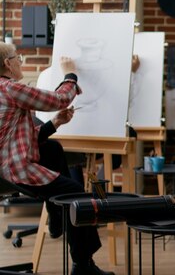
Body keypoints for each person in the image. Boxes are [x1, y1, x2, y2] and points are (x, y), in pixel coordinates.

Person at [0, 43, 114, 275]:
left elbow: (20, 139)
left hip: (7, 162)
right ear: (7, 64)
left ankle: (55, 210)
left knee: (52, 148)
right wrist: (70, 74)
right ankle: (83, 266)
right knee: (77, 196)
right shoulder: (9, 89)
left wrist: (56, 123)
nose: (20, 61)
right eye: (17, 57)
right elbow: (58, 99)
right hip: (14, 168)